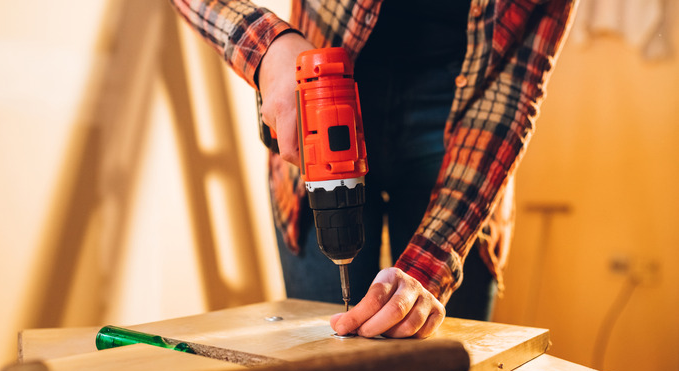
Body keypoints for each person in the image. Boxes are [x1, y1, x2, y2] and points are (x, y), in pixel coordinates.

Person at [171, 0, 577, 339]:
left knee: (437, 360)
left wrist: (429, 267)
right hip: (322, 84)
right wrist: (269, 46)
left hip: (466, 126)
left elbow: (511, 92)